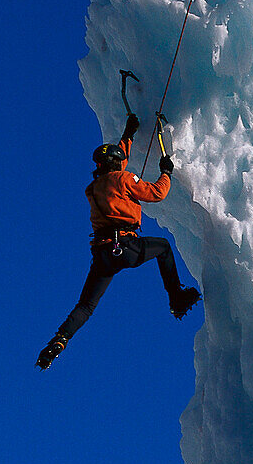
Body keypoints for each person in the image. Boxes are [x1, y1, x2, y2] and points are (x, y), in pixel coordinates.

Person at [36, 113, 201, 370]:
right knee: (164, 247)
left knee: (86, 305)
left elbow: (117, 165)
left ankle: (60, 339)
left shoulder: (93, 188)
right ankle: (176, 298)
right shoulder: (123, 179)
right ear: (116, 163)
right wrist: (165, 173)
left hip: (102, 253)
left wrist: (128, 134)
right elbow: (156, 193)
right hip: (125, 247)